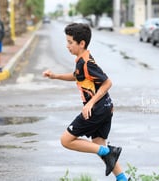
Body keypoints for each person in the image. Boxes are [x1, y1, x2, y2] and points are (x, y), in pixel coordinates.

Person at [43, 23, 130, 181]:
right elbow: (77, 76)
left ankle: (108, 152)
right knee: (98, 144)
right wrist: (55, 76)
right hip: (105, 108)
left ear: (81, 43)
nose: (67, 46)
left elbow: (107, 82)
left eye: (70, 42)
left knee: (66, 140)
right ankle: (123, 179)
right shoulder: (81, 61)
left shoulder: (87, 63)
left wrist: (90, 104)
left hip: (97, 109)